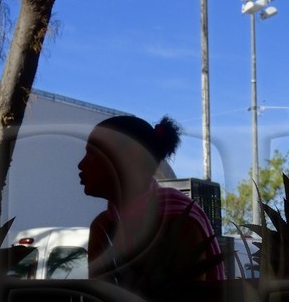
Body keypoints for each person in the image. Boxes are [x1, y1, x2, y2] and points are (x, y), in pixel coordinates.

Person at [78, 114, 226, 290]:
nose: (81, 164)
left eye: (93, 153)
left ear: (129, 156)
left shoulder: (179, 221)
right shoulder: (103, 226)